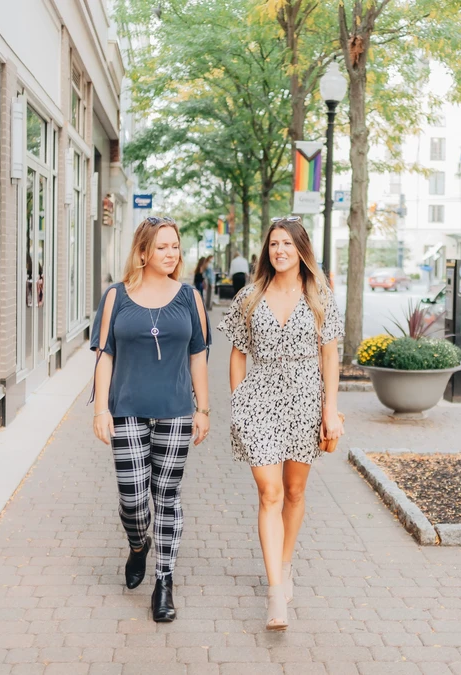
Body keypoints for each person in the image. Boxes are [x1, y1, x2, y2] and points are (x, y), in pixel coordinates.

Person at [218, 216, 344, 631]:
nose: (280, 250)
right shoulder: (249, 297)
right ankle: (275, 594)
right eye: (274, 244)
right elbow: (237, 353)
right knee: (269, 492)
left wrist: (330, 409)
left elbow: (330, 357)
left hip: (306, 401)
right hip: (260, 401)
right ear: (266, 251)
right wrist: (238, 403)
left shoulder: (321, 296)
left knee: (293, 490)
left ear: (301, 249)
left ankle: (285, 563)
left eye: (287, 243)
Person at [90, 216, 211, 623]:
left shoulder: (189, 297)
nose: (171, 253)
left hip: (176, 411)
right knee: (133, 499)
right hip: (126, 410)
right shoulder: (116, 297)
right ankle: (138, 543)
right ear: (142, 252)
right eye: (162, 247)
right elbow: (104, 353)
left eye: (175, 246)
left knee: (167, 496)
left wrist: (204, 409)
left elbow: (198, 354)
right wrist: (100, 409)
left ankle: (164, 582)